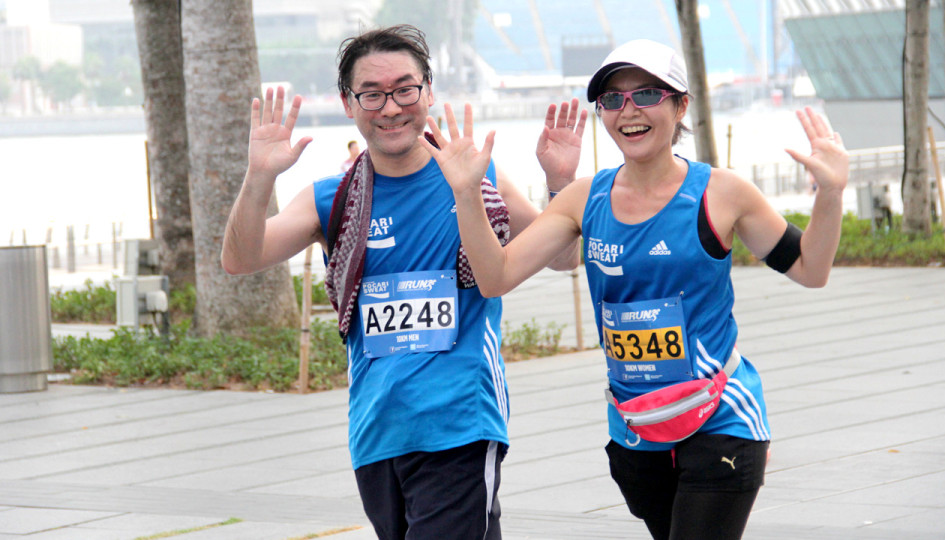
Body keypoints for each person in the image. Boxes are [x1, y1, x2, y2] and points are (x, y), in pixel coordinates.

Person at [422, 39, 849, 540]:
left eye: (646, 94)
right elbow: (495, 278)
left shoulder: (722, 193)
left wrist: (832, 195)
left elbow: (809, 267)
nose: (629, 111)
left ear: (680, 105)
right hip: (635, 432)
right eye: (612, 99)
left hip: (721, 419)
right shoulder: (585, 198)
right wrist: (467, 193)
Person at [221, 24, 583, 540]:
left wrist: (560, 184)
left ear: (428, 92)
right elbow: (240, 258)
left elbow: (564, 256)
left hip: (461, 423)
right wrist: (259, 179)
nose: (390, 107)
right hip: (377, 433)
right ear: (348, 104)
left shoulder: (477, 178)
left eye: (404, 89)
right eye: (371, 93)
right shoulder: (333, 198)